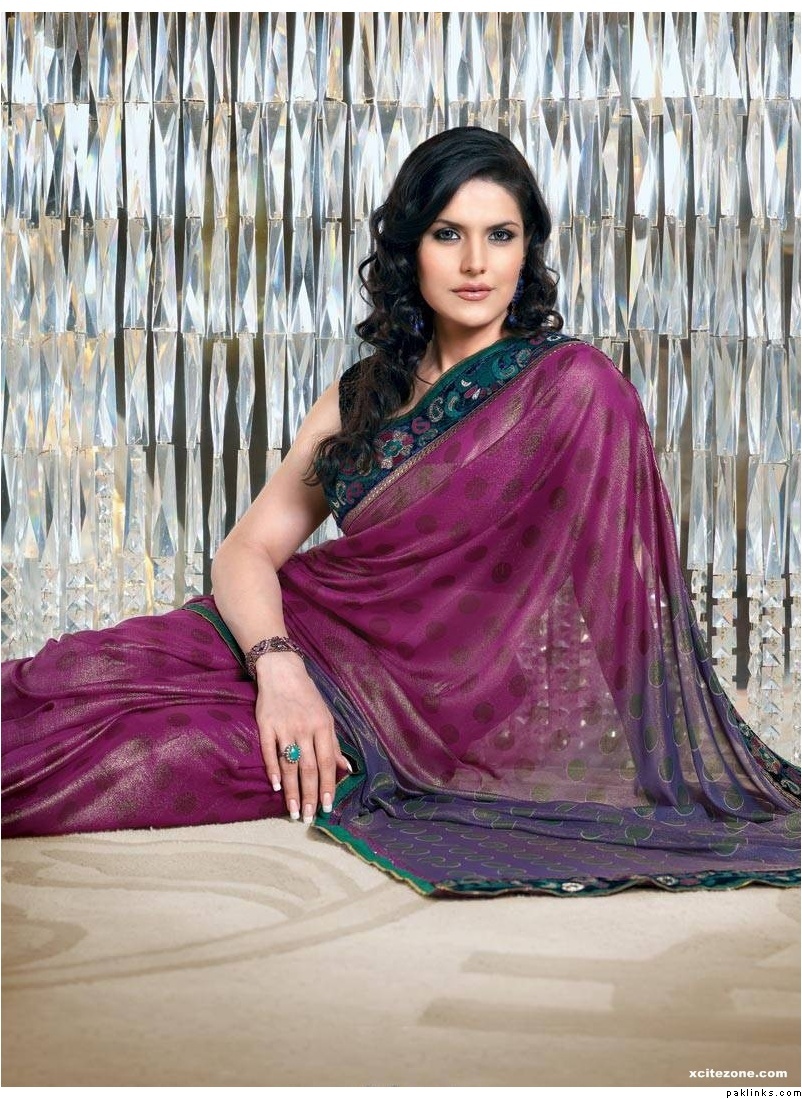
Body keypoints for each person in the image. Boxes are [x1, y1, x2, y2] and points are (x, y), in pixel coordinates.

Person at [2, 128, 799, 897]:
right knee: (63, 678)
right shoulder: (363, 393)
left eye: (501, 235)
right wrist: (278, 666)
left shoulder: (574, 389)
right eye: (449, 234)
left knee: (139, 755)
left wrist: (675, 762)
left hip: (401, 719)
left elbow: (622, 602)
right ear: (410, 248)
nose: (477, 262)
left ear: (528, 250)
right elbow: (246, 552)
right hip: (272, 638)